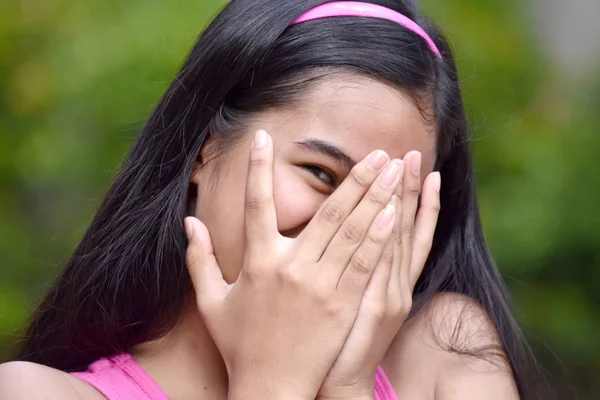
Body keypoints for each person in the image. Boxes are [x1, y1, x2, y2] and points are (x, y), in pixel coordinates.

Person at [0, 1, 551, 399]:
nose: (351, 224)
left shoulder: (445, 354)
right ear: (203, 150)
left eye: (390, 200)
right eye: (319, 172)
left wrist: (349, 385)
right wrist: (273, 380)